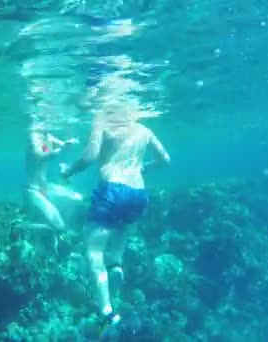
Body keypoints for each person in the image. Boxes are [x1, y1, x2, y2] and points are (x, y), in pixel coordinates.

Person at [60, 112, 171, 326]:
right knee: (117, 246)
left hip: (112, 189)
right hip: (138, 194)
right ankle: (115, 268)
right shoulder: (143, 130)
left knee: (93, 251)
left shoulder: (102, 119)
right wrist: (144, 169)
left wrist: (68, 171)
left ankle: (106, 310)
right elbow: (165, 160)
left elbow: (89, 156)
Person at [24, 124, 84, 235]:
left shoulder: (44, 136)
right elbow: (41, 155)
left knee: (77, 199)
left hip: (44, 188)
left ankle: (45, 229)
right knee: (59, 223)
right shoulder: (34, 138)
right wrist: (59, 149)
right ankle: (40, 232)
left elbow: (54, 145)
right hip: (33, 190)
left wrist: (67, 143)